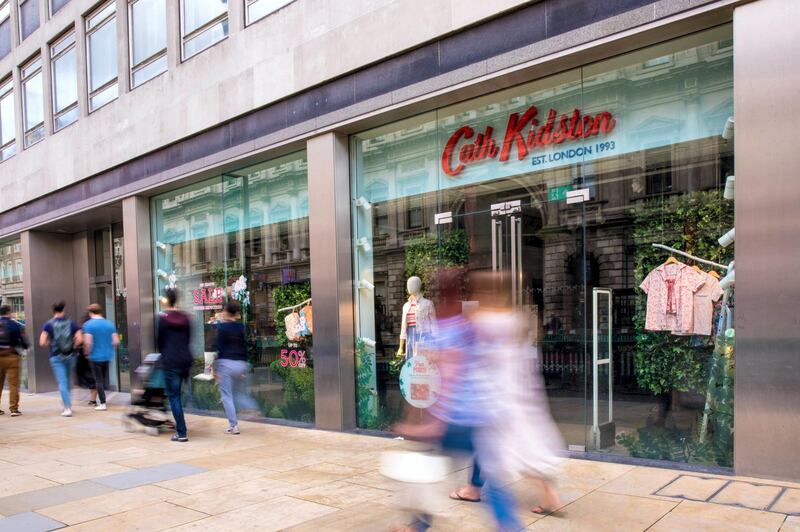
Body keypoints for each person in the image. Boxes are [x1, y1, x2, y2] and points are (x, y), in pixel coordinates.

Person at [213, 301, 255, 435]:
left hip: (226, 364)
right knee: (237, 394)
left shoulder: (222, 328)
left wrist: (216, 369)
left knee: (227, 395)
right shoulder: (241, 327)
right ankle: (252, 408)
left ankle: (233, 426)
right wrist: (243, 367)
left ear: (226, 313)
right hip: (240, 364)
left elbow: (219, 348)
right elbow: (244, 346)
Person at [157, 288, 193, 442]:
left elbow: (159, 342)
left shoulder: (163, 319)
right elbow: (188, 339)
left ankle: (182, 432)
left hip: (170, 361)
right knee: (179, 394)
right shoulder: (186, 318)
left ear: (166, 301)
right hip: (184, 359)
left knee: (173, 397)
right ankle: (180, 425)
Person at [39, 301, 81, 417]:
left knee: (62, 381)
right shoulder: (72, 323)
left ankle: (67, 408)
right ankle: (67, 404)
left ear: (53, 311)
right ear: (64, 310)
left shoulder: (48, 324)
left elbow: (42, 342)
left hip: (56, 356)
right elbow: (79, 339)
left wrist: (51, 343)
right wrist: (73, 345)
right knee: (68, 381)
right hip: (71, 355)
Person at [82, 304, 119, 412]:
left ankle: (102, 403)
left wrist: (86, 353)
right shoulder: (109, 324)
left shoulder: (88, 325)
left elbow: (88, 343)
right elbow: (116, 341)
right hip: (107, 356)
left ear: (90, 313)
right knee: (102, 379)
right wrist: (108, 348)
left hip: (95, 357)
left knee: (98, 380)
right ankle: (103, 400)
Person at [0, 305, 28, 416]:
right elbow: (22, 341)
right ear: (9, 312)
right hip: (12, 357)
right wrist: (25, 348)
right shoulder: (14, 324)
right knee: (13, 384)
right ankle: (14, 409)